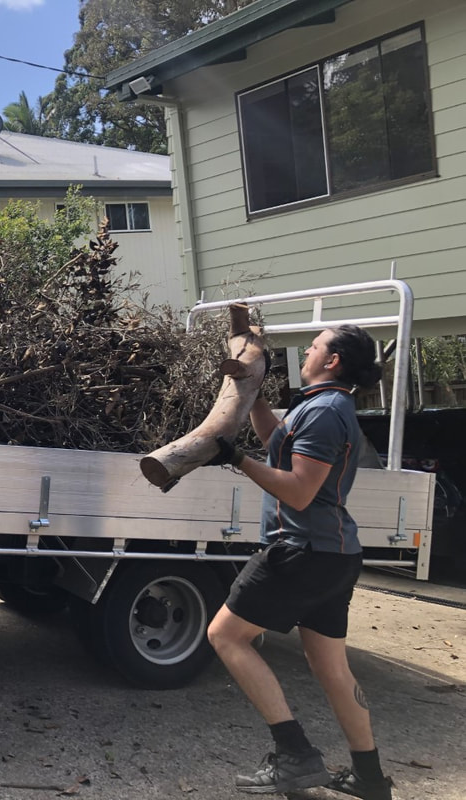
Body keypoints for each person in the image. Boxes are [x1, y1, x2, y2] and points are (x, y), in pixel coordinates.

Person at [204, 325, 394, 800]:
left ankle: (294, 755)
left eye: (315, 346)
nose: (307, 350)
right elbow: (276, 441)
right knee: (331, 669)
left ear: (333, 361)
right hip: (332, 555)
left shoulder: (327, 412)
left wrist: (238, 460)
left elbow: (300, 491)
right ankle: (370, 779)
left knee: (225, 636)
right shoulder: (319, 403)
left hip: (301, 551)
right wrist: (254, 394)